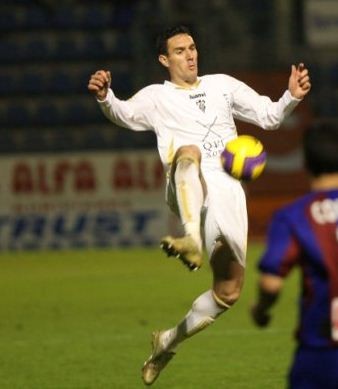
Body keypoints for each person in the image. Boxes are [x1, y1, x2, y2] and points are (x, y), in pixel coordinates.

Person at [88, 25, 311, 385]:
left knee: (229, 291)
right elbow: (124, 114)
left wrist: (291, 95)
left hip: (227, 191)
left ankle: (167, 342)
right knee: (187, 152)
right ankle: (190, 238)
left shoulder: (222, 84)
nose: (190, 55)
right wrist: (105, 97)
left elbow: (269, 116)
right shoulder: (155, 98)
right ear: (165, 59)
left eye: (192, 48)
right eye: (180, 51)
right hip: (184, 184)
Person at [250, 121, 338, 389]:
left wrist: (261, 310)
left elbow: (271, 283)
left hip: (321, 352)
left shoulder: (294, 215)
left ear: (306, 164)